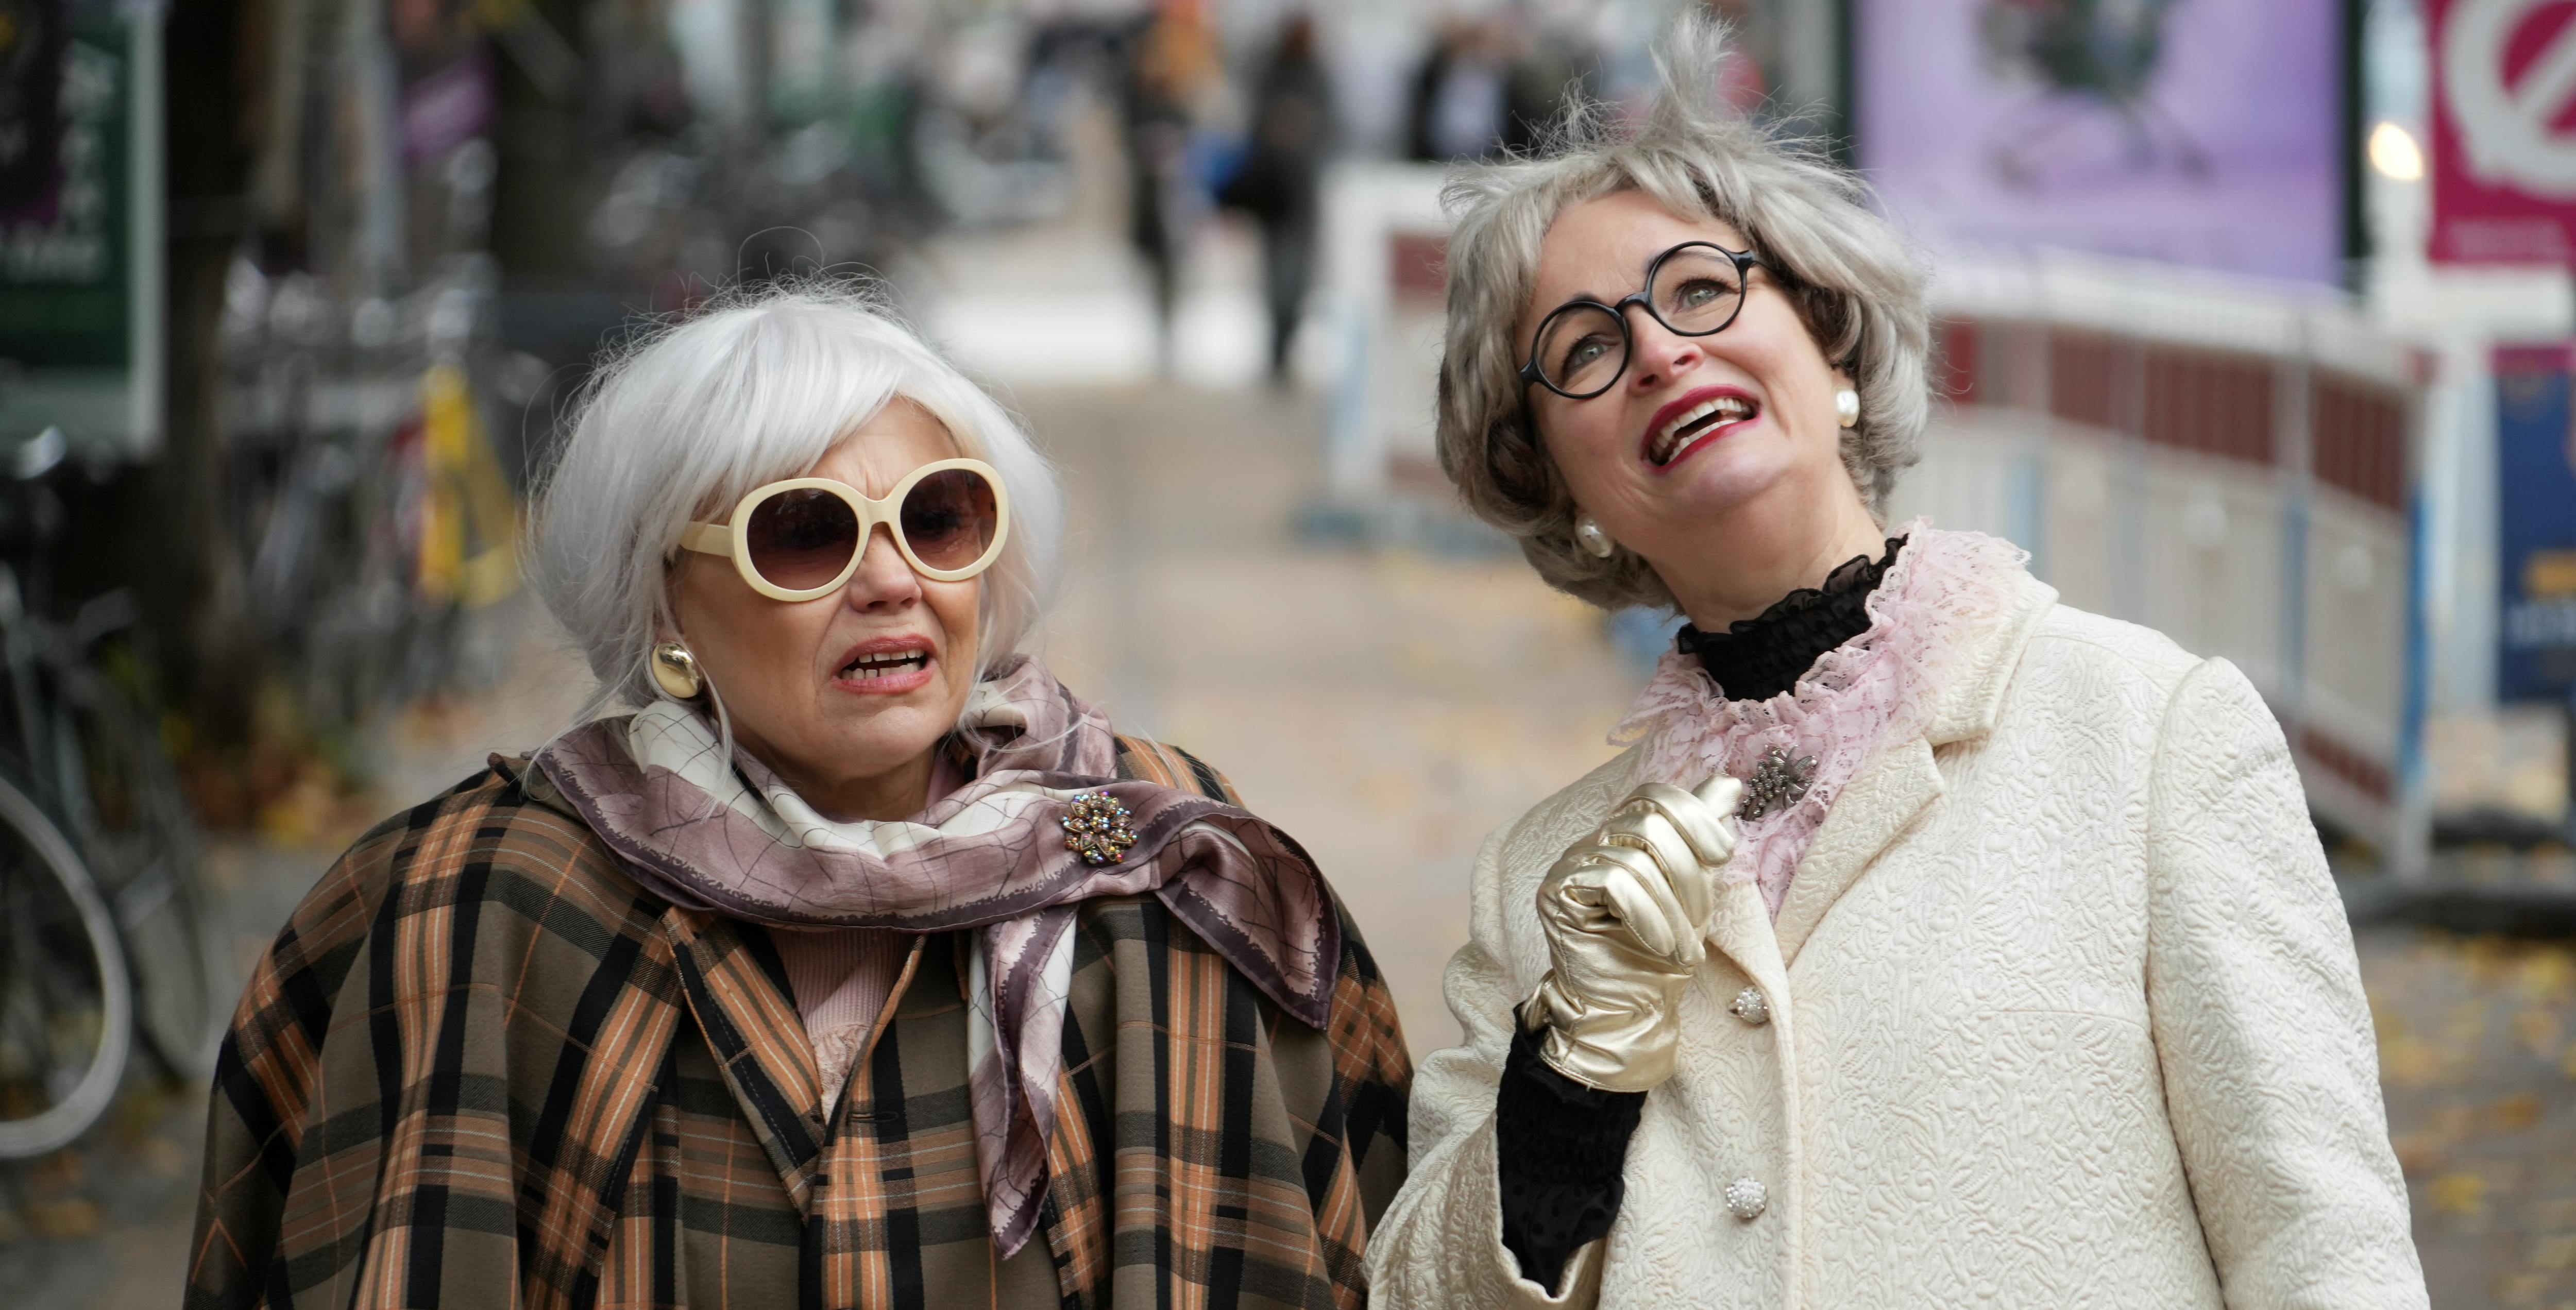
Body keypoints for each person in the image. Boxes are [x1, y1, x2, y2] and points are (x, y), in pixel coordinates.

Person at [1364, 18, 2426, 1309]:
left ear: (1826, 335)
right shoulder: (1540, 889)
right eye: (1584, 350)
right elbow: (1419, 1292)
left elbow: (2323, 1250)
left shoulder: (2147, 735)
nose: (1655, 349)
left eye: (1699, 288)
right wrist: (1569, 1075)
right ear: (1559, 481)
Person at [189, 285, 1412, 1308]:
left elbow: (1372, 1217)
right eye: (806, 536)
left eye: (938, 519)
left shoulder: (1169, 859)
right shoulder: (484, 899)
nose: (891, 580)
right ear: (663, 601)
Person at [1223, 11, 1334, 384]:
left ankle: (1284, 349)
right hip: (1274, 192)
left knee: (1296, 278)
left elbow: (1328, 129)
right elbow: (1255, 129)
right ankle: (1277, 352)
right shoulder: (1271, 74)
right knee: (1277, 278)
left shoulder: (1316, 76)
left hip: (1299, 193)